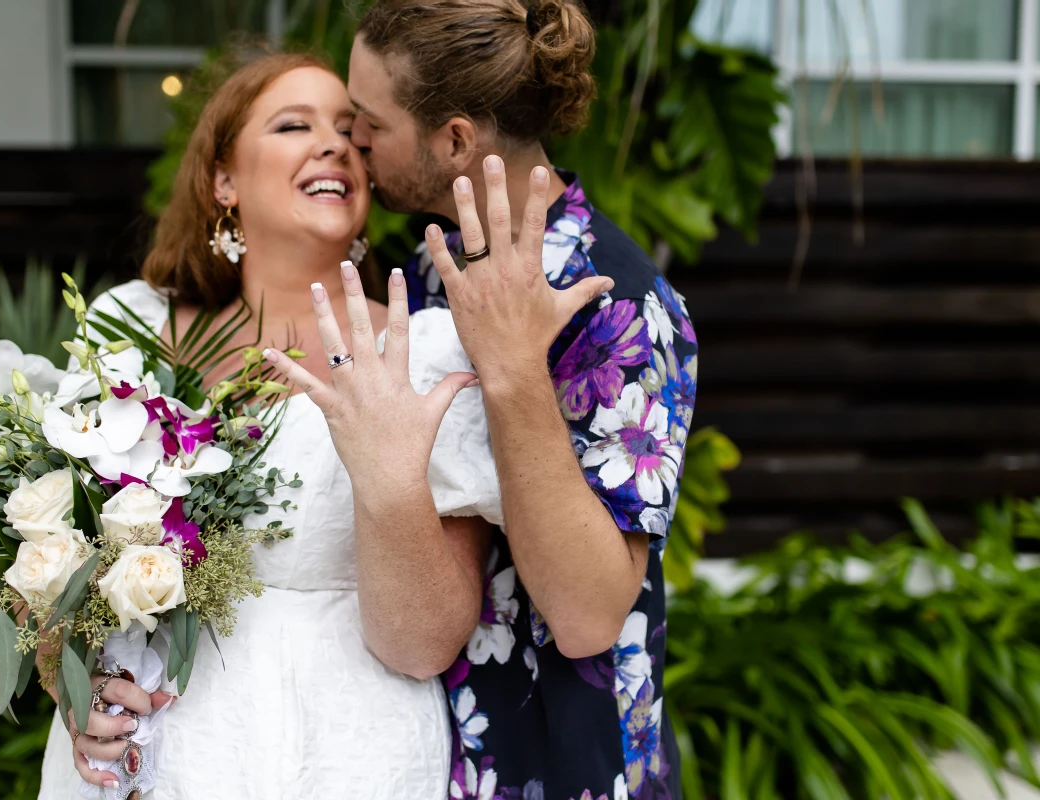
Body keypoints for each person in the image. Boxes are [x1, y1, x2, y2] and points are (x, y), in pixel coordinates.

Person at [36, 53, 502, 799]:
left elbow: (424, 644)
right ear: (223, 180)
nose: (334, 145)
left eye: (352, 132)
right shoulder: (129, 330)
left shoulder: (428, 350)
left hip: (348, 755)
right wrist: (68, 685)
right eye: (294, 125)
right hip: (143, 758)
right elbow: (53, 570)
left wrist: (385, 466)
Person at [346, 1, 697, 797]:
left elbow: (587, 616)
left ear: (457, 140)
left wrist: (511, 370)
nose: (353, 140)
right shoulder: (427, 267)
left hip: (562, 763)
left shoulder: (619, 304)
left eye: (370, 121)